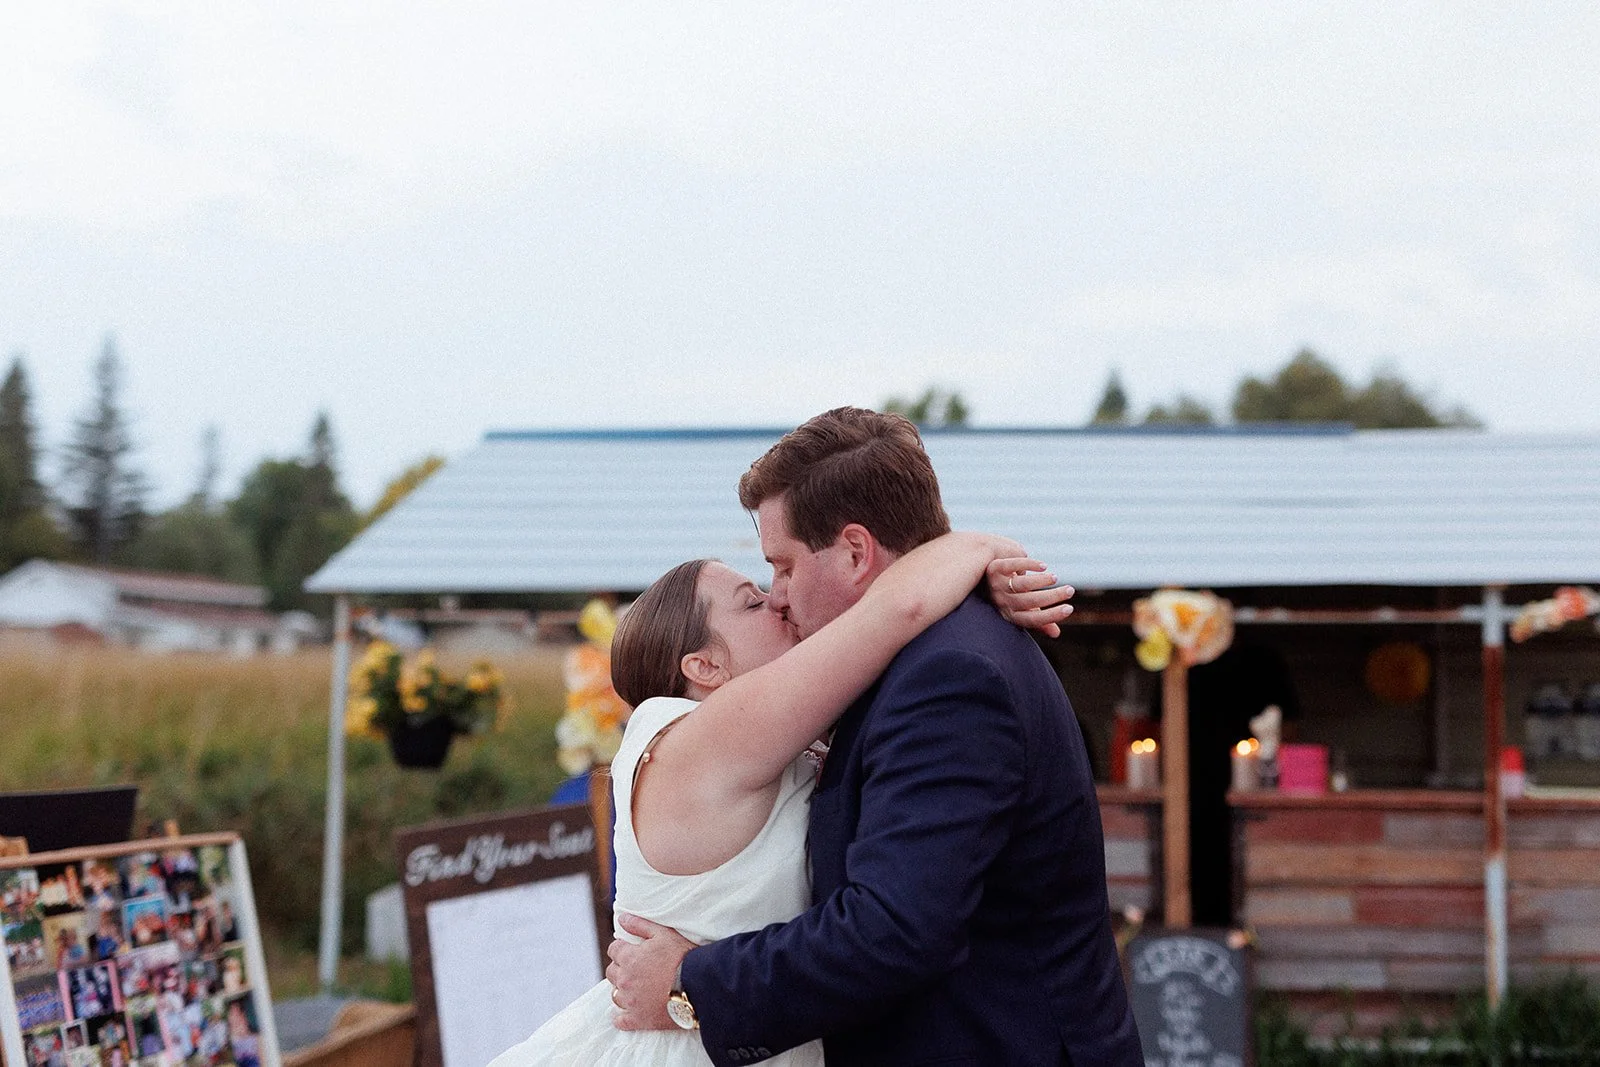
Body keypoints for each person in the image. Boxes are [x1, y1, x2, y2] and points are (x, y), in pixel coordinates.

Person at [609, 408, 1143, 1066]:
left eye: (783, 567)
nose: (778, 596)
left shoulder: (948, 676)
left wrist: (690, 982)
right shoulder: (916, 661)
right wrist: (974, 549)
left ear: (857, 551)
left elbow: (893, 928)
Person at [490, 523, 1069, 1066]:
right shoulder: (693, 734)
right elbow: (900, 608)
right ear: (704, 665)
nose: (780, 602)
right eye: (751, 601)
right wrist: (980, 550)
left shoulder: (767, 747)